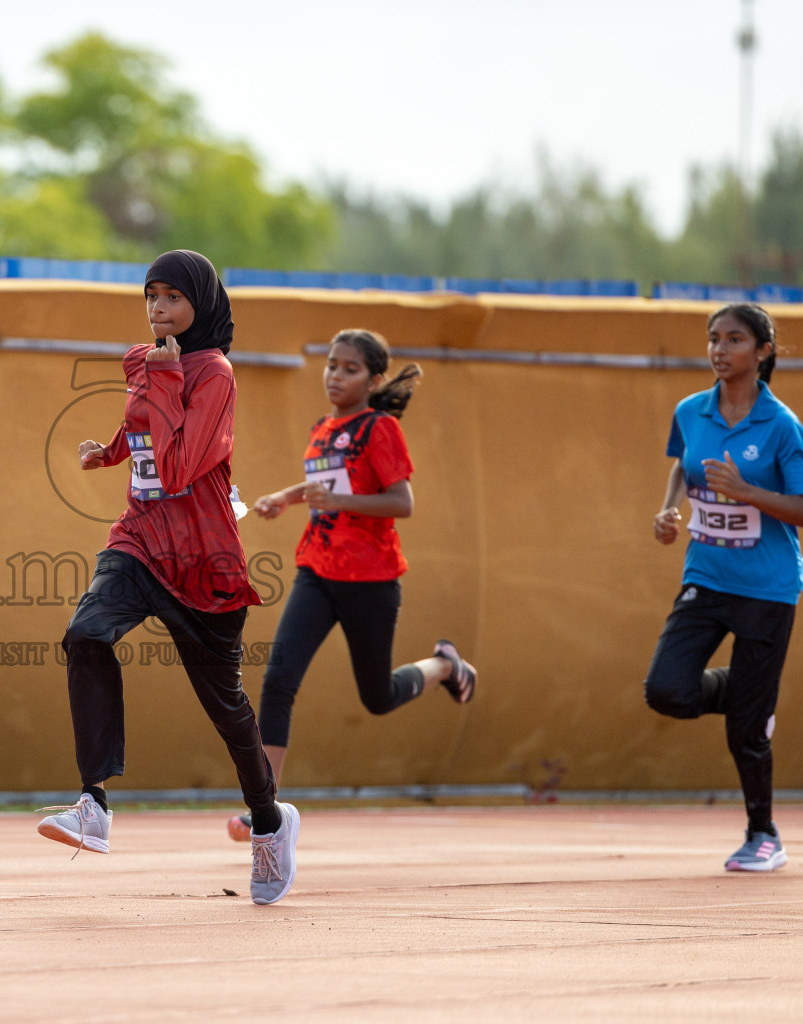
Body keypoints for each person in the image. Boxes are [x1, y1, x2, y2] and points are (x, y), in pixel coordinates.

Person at [34, 250, 299, 905]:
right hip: (140, 539)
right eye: (151, 295)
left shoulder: (214, 374)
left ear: (201, 304)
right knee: (87, 634)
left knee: (227, 708)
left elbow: (180, 467)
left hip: (204, 558)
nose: (158, 308)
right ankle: (92, 802)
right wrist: (110, 452)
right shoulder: (143, 362)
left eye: (173, 297)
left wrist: (168, 378)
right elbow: (142, 429)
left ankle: (268, 820)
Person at [226, 329, 477, 842]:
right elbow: (325, 484)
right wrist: (287, 497)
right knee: (278, 680)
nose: (335, 375)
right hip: (317, 572)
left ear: (374, 379)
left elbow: (400, 502)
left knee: (378, 696)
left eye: (349, 368)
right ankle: (266, 807)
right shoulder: (323, 427)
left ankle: (445, 664)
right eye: (332, 365)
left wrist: (335, 503)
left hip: (371, 582)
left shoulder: (380, 429)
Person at [646, 303, 803, 872]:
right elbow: (683, 464)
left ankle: (763, 835)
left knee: (746, 734)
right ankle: (748, 694)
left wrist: (749, 493)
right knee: (666, 691)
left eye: (734, 340)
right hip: (706, 576)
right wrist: (669, 509)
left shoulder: (781, 425)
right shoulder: (691, 410)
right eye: (713, 339)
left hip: (767, 587)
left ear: (763, 351)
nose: (720, 350)